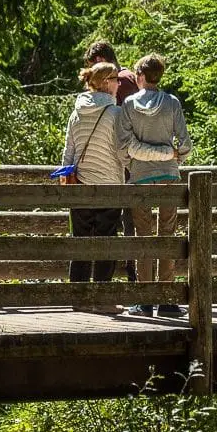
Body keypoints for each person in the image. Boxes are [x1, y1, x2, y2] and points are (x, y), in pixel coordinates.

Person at [119, 53, 192, 318]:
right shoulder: (172, 103)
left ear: (140, 76)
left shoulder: (128, 104)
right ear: (159, 76)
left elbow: (123, 148)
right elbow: (184, 144)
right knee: (167, 236)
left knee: (143, 236)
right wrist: (172, 156)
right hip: (170, 178)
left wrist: (135, 163)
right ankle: (167, 299)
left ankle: (145, 300)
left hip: (140, 178)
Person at [62, 61, 127, 315]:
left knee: (80, 241)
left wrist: (67, 180)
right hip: (109, 185)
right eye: (116, 79)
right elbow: (122, 152)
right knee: (106, 242)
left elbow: (68, 152)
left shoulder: (76, 113)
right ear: (106, 83)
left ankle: (77, 298)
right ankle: (102, 300)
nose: (119, 84)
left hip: (81, 187)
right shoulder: (115, 114)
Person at [83, 41, 140, 282]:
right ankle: (131, 279)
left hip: (117, 166)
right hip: (126, 163)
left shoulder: (123, 81)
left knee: (123, 224)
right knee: (128, 223)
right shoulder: (131, 79)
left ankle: (130, 277)